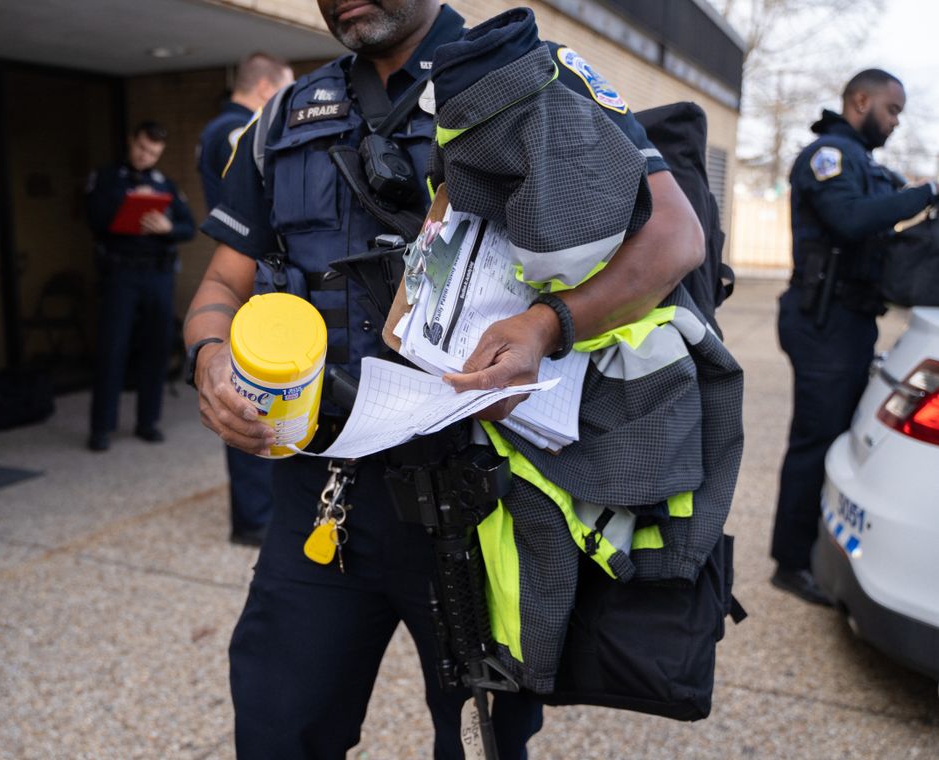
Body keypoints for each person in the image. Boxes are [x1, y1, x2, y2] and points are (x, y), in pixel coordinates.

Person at [185, 1, 704, 757]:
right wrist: (208, 360)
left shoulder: (532, 79)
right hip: (324, 493)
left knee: (482, 744)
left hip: (481, 499)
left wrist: (549, 323)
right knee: (277, 728)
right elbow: (217, 290)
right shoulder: (286, 118)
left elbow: (674, 235)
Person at [771, 69, 938, 605]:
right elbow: (847, 219)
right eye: (891, 110)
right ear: (860, 100)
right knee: (815, 440)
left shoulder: (867, 166)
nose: (894, 123)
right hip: (823, 323)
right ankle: (791, 562)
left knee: (836, 436)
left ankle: (817, 542)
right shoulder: (829, 158)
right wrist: (927, 192)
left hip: (849, 322)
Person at [196, 52, 294, 546]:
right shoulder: (242, 131)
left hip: (249, 271)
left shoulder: (216, 128)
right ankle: (254, 518)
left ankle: (256, 514)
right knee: (248, 399)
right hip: (251, 276)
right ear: (265, 88)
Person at [85, 121, 195, 452]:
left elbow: (189, 227)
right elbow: (94, 219)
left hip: (158, 275)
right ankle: (101, 427)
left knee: (157, 349)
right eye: (141, 148)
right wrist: (130, 203)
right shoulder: (106, 178)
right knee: (112, 349)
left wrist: (167, 227)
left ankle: (148, 421)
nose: (146, 156)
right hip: (121, 274)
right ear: (131, 141)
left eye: (153, 153)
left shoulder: (165, 184)